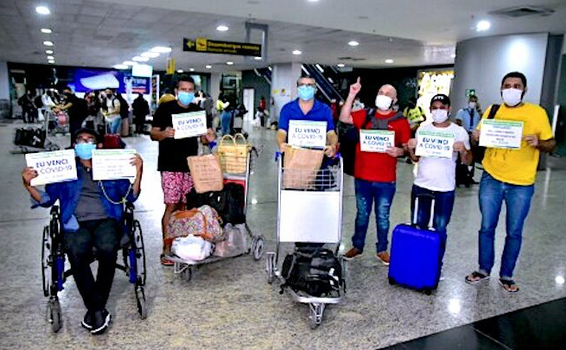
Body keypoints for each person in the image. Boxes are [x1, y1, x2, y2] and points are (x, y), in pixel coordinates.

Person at [22, 128, 143, 335]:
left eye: (90, 140)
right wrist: (27, 183)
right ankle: (97, 309)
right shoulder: (66, 171)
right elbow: (46, 200)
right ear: (74, 145)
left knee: (107, 247)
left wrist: (139, 171)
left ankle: (94, 310)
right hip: (75, 222)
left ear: (99, 146)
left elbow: (130, 197)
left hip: (107, 219)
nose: (85, 144)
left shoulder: (110, 167)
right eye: (80, 140)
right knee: (76, 250)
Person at [465, 72, 556, 293]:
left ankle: (506, 275)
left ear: (524, 89)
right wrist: (476, 137)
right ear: (501, 88)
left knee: (514, 231)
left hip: (521, 183)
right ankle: (484, 269)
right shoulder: (493, 110)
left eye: (516, 86)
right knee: (486, 227)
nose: (512, 89)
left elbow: (551, 143)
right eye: (507, 85)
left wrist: (539, 142)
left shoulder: (537, 113)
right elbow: (481, 136)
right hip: (491, 177)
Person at [339, 78, 410, 264]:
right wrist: (352, 94)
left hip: (386, 179)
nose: (383, 96)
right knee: (361, 214)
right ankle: (357, 245)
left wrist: (400, 151)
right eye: (381, 92)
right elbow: (344, 117)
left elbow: (406, 148)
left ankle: (382, 249)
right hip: (362, 176)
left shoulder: (401, 121)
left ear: (394, 100)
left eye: (388, 94)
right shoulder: (366, 115)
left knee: (383, 216)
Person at [150, 76, 216, 266]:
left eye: (190, 90)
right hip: (170, 164)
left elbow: (204, 140)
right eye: (183, 89)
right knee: (171, 205)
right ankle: (167, 247)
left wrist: (209, 137)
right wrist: (164, 134)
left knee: (186, 205)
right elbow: (153, 133)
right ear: (177, 91)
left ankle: (184, 243)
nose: (187, 93)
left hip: (190, 165)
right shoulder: (165, 109)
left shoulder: (198, 112)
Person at [407, 94, 472, 265]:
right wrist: (410, 148)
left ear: (449, 109)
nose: (438, 111)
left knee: (440, 228)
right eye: (435, 107)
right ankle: (418, 262)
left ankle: (435, 264)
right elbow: (415, 158)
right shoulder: (423, 129)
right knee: (418, 225)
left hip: (444, 188)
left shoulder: (459, 132)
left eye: (442, 107)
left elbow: (468, 161)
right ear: (430, 110)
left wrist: (464, 150)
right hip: (421, 185)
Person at [276, 75, 338, 157]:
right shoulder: (287, 109)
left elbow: (331, 133)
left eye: (309, 85)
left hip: (318, 156)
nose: (305, 88)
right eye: (302, 85)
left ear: (315, 89)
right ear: (297, 88)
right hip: (293, 155)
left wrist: (333, 146)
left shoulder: (324, 109)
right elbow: (282, 132)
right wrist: (282, 144)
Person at [455, 94, 482, 186]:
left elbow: (479, 125)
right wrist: (464, 133)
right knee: (461, 157)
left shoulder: (477, 113)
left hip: (473, 137)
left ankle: (470, 176)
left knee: (472, 157)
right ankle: (458, 177)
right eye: (472, 101)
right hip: (464, 135)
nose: (473, 103)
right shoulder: (462, 111)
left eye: (474, 101)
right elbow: (458, 123)